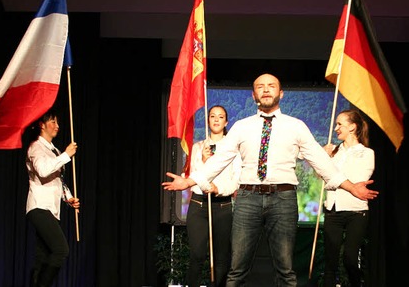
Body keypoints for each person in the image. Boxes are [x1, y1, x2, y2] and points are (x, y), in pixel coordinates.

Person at [162, 73, 379, 287]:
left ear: (281, 93)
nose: (266, 89)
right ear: (254, 95)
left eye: (271, 86)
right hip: (248, 198)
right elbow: (218, 161)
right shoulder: (242, 127)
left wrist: (351, 187)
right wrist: (189, 182)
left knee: (285, 270)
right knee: (237, 270)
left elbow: (322, 162)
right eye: (260, 86)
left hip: (283, 199)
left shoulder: (296, 126)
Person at [185, 105, 241, 287]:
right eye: (212, 116)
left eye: (220, 117)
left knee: (221, 258)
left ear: (226, 121)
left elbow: (236, 180)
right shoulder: (198, 147)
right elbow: (192, 176)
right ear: (208, 120)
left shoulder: (233, 149)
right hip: (199, 205)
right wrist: (203, 161)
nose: (216, 119)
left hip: (222, 207)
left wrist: (219, 189)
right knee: (197, 254)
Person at [26, 110, 79, 287]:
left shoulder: (53, 149)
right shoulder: (36, 147)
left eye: (57, 122)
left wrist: (69, 198)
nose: (57, 126)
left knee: (43, 257)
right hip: (39, 207)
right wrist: (65, 156)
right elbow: (42, 171)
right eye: (53, 122)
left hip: (51, 209)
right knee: (60, 250)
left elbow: (58, 180)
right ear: (42, 125)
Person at [322, 109, 374, 287]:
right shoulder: (332, 153)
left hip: (356, 211)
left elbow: (358, 183)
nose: (336, 128)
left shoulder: (367, 153)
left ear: (352, 127)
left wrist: (334, 177)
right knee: (330, 262)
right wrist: (325, 159)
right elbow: (324, 179)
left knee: (350, 258)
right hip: (333, 210)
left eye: (339, 124)